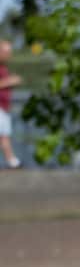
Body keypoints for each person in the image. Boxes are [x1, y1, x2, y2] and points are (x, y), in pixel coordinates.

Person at [0, 39, 22, 169]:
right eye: (6, 51)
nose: (9, 54)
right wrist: (10, 81)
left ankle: (12, 161)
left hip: (4, 107)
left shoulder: (4, 68)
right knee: (4, 135)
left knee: (4, 135)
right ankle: (13, 161)